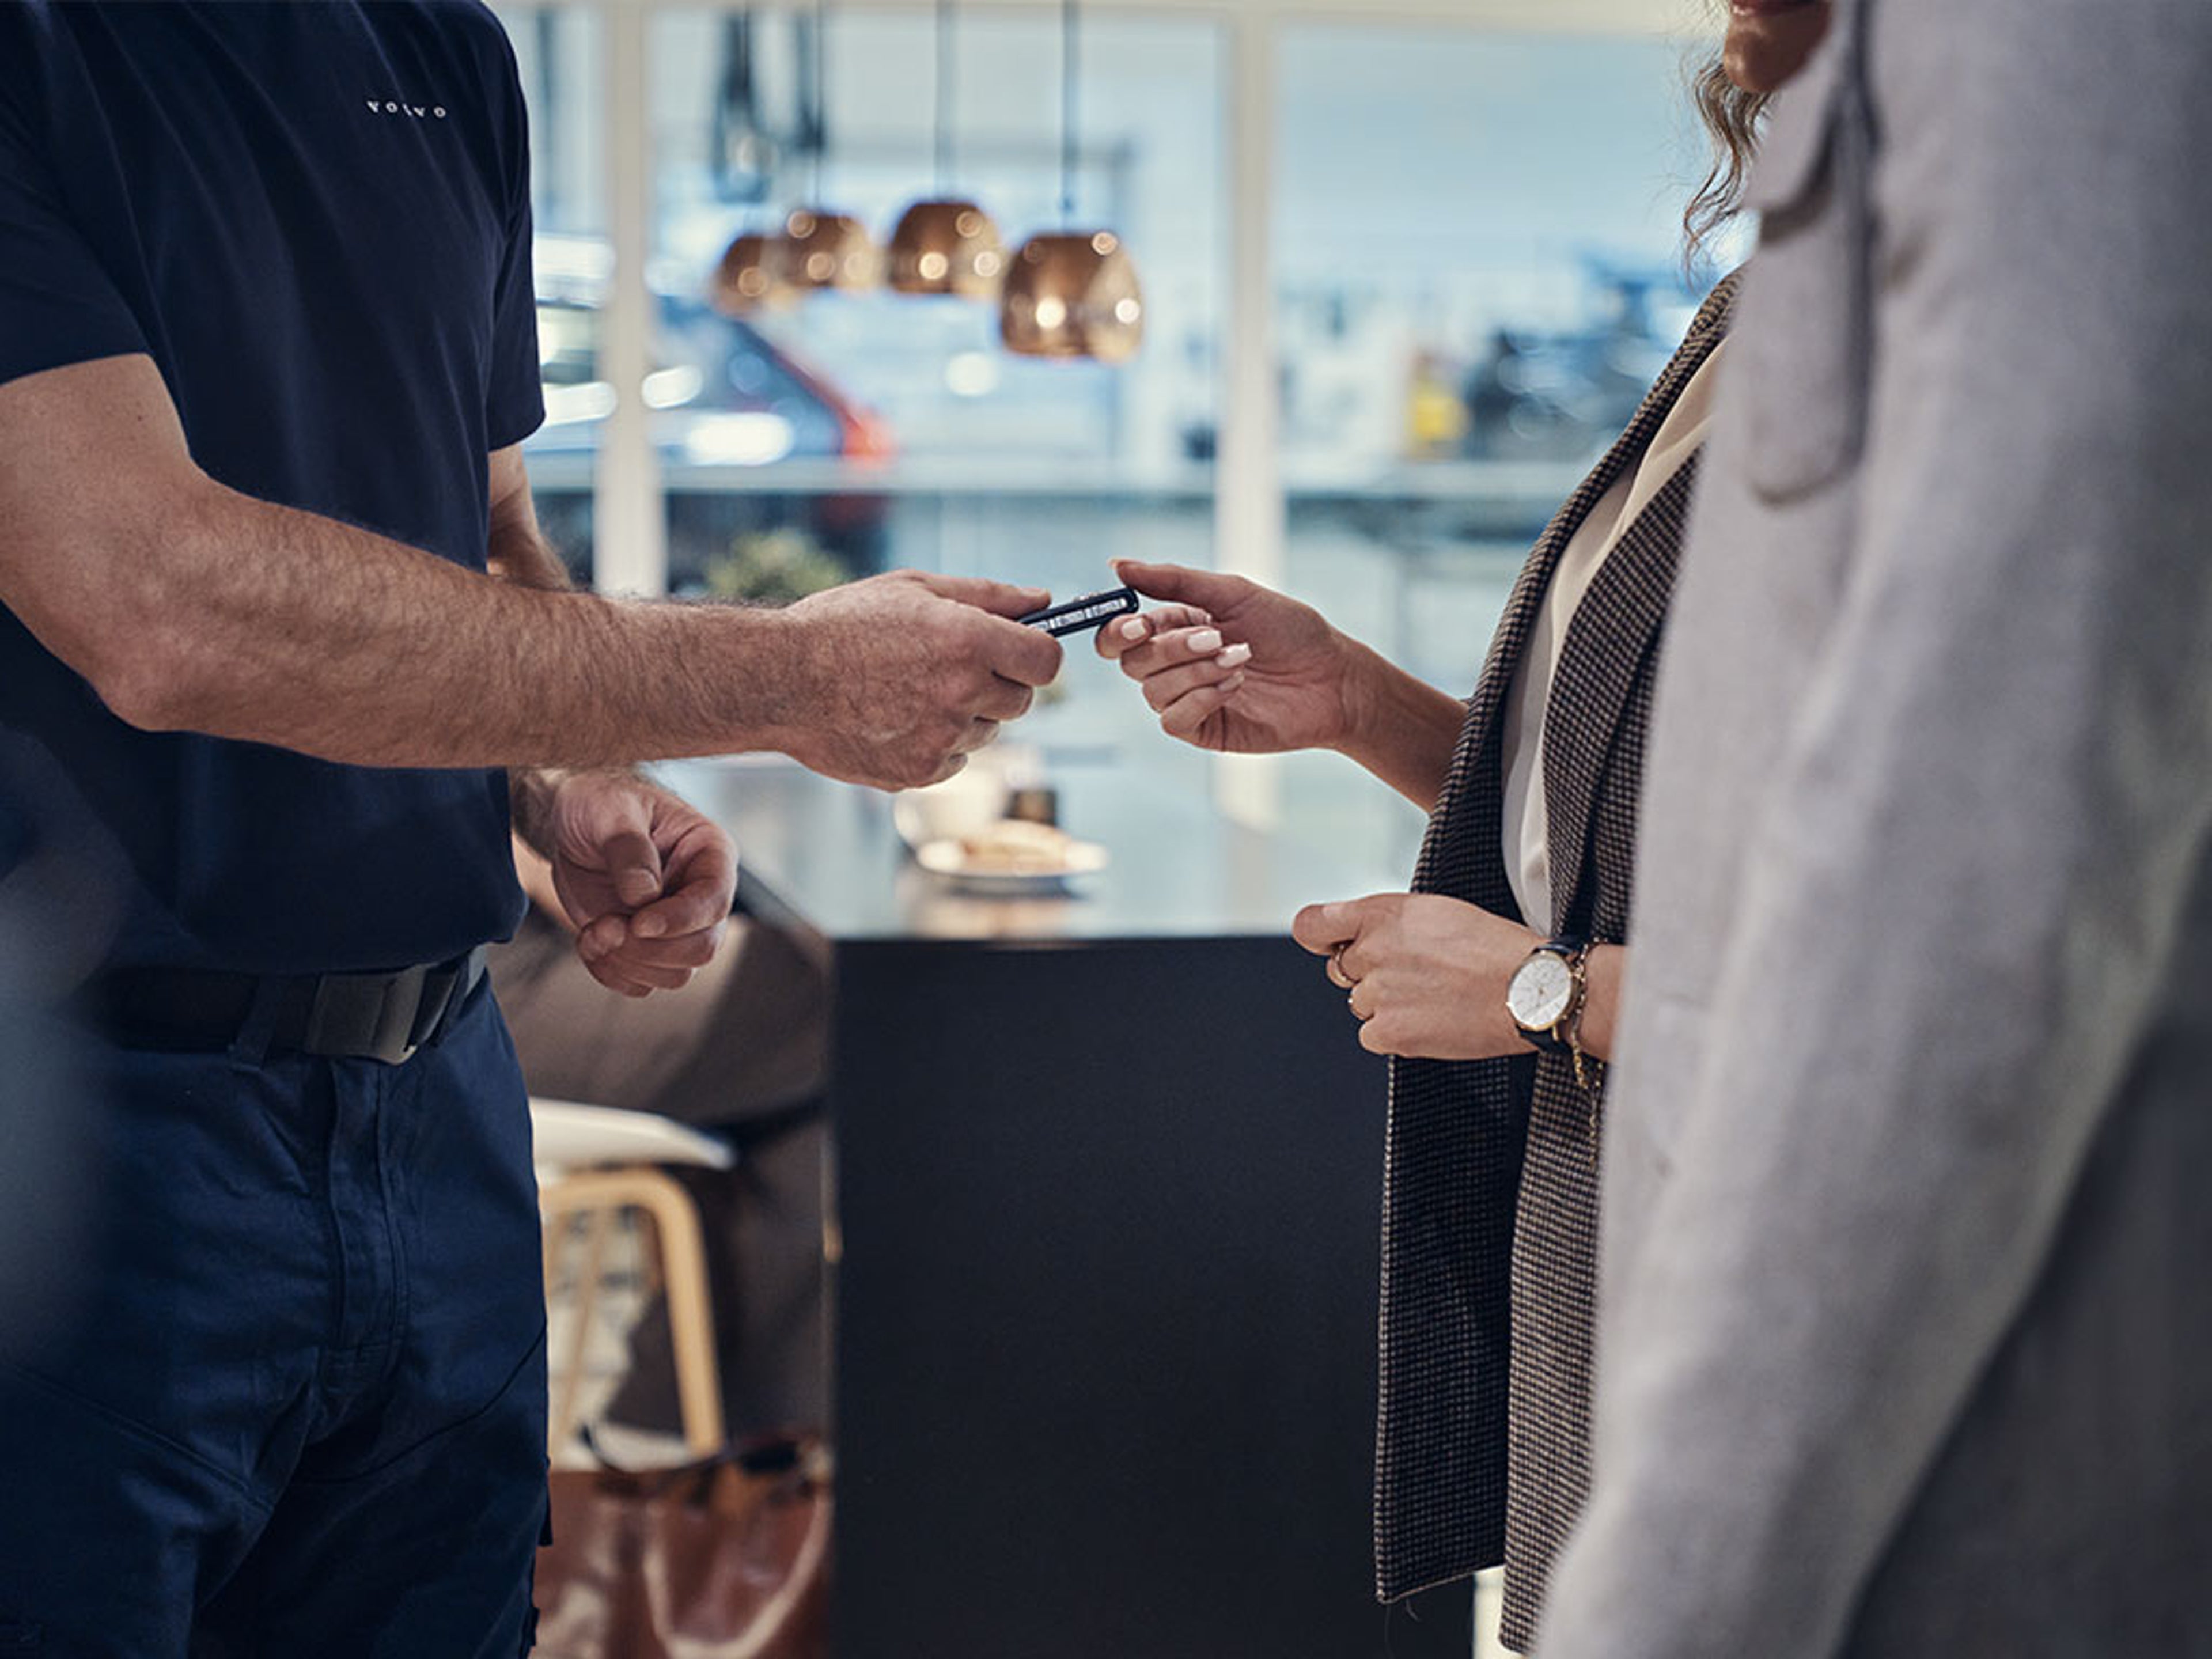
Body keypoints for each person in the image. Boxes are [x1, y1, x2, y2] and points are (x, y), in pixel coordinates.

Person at [0, 3, 1060, 1653]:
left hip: (440, 1107)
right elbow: (151, 600)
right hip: (86, 1126)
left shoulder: (448, 50)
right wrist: (788, 677)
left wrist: (569, 770)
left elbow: (485, 518)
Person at [1097, 10, 1821, 1650]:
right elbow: (1646, 822)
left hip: (1805, 1296)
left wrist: (1546, 994)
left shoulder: (2001, 366)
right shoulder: (1763, 313)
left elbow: (1972, 1010)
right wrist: (1354, 699)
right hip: (1630, 1234)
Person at [1535, 1, 2212, 1653]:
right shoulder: (1822, 196)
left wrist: (1667, 1593)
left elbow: (1972, 901)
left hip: (1944, 1489)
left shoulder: (2056, 53)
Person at [491, 839, 832, 1441]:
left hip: (520, 955)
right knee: (843, 999)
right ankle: (733, 1432)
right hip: (493, 986)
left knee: (799, 1102)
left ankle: (708, 1439)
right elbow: (557, 872)